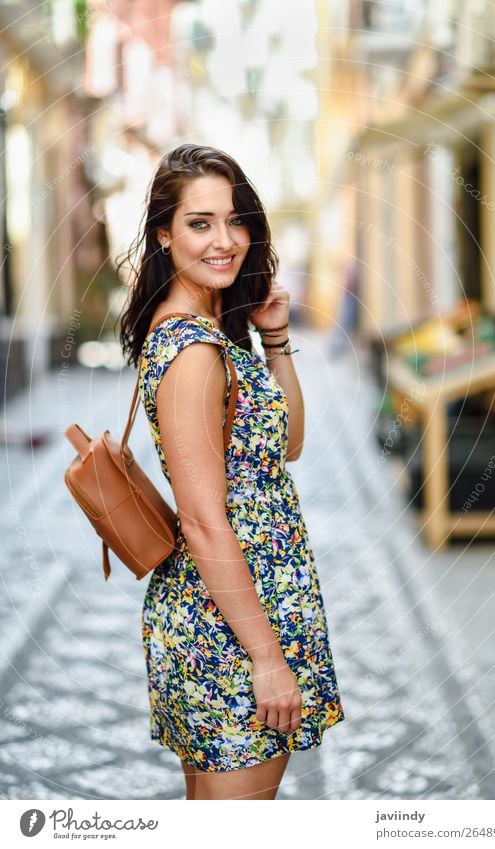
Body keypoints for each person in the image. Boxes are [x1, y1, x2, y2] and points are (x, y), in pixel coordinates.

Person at [119, 143, 345, 800]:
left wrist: (273, 337)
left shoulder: (214, 329)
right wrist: (267, 659)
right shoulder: (191, 349)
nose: (226, 240)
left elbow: (289, 444)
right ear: (164, 234)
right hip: (229, 623)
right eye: (200, 222)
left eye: (235, 219)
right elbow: (203, 521)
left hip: (243, 607)